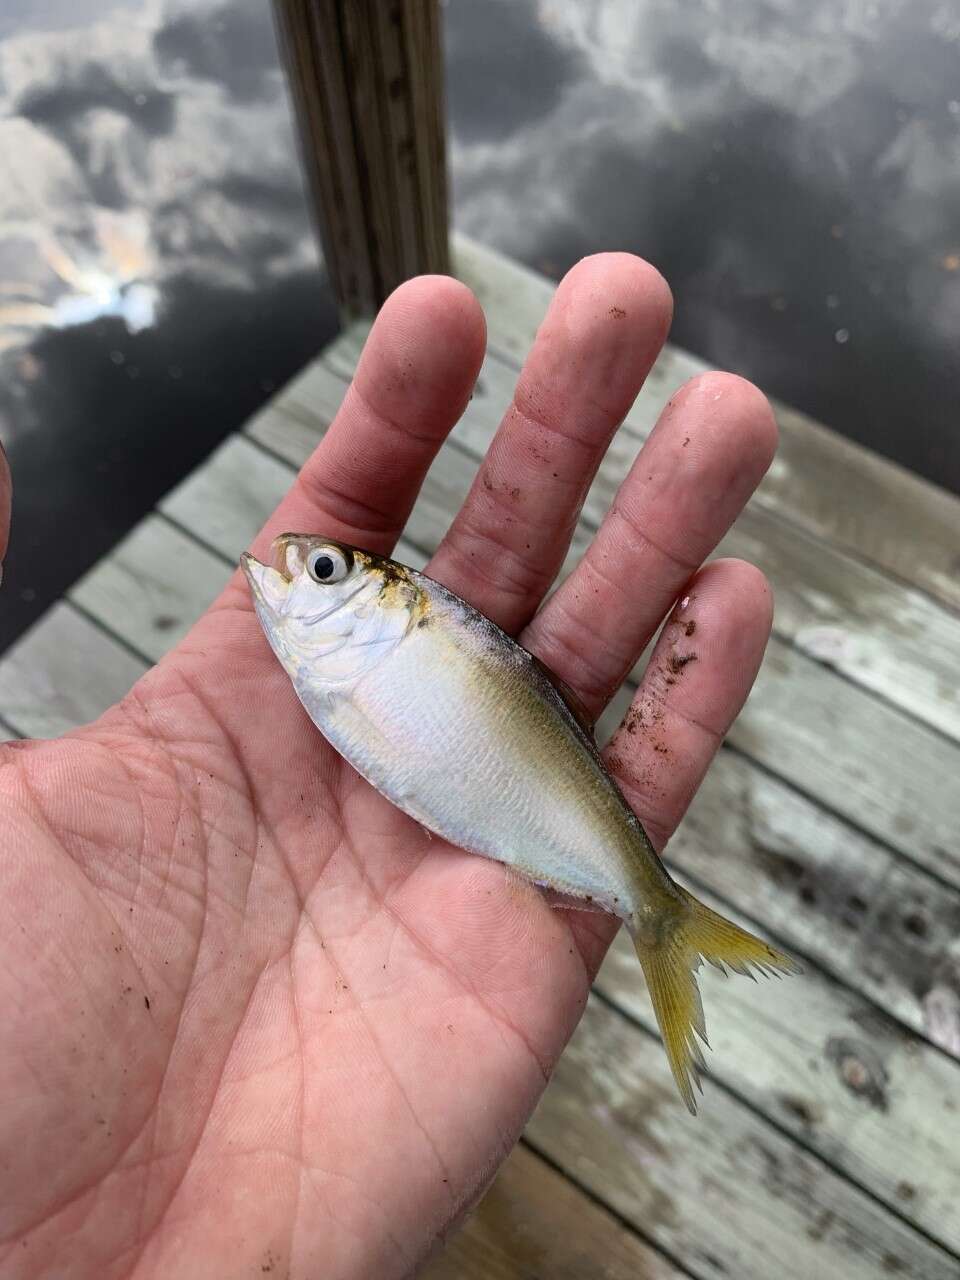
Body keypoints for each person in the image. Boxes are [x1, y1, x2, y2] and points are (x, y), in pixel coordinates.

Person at [0, 256, 777, 1278]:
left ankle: (661, 913)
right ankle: (661, 914)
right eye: (324, 567)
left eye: (326, 571)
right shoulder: (341, 651)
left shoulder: (383, 639)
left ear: (377, 605)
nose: (299, 569)